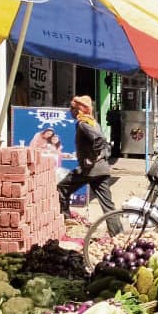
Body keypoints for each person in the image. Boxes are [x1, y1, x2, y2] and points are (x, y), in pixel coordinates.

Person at [57, 96, 121, 235]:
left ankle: (66, 220)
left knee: (62, 187)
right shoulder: (93, 122)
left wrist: (92, 158)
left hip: (90, 171)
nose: (70, 111)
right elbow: (105, 146)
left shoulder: (83, 123)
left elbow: (99, 139)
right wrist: (100, 156)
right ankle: (117, 234)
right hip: (102, 169)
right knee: (108, 205)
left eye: (72, 108)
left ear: (78, 109)